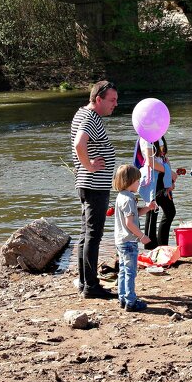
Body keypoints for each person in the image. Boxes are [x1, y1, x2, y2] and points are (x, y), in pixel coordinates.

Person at [70, 80, 118, 299]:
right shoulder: (90, 117)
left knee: (86, 235)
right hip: (94, 184)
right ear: (98, 99)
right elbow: (80, 144)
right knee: (93, 235)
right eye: (112, 100)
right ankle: (91, 286)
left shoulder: (84, 114)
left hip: (89, 183)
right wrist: (89, 165)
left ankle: (84, 282)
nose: (115, 104)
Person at [112, 164, 153, 312]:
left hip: (120, 240)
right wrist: (142, 236)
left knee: (123, 270)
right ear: (129, 182)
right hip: (129, 241)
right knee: (130, 272)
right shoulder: (128, 200)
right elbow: (129, 223)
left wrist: (148, 208)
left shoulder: (122, 197)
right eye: (137, 181)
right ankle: (131, 301)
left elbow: (134, 215)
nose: (139, 184)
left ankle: (122, 298)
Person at [144, 136, 177, 246]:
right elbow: (150, 162)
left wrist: (171, 180)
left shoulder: (160, 136)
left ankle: (160, 245)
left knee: (167, 212)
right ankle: (152, 245)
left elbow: (164, 159)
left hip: (163, 177)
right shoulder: (147, 137)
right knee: (155, 211)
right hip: (153, 178)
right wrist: (169, 173)